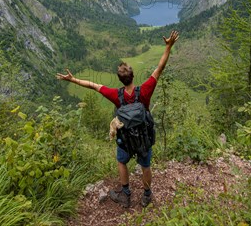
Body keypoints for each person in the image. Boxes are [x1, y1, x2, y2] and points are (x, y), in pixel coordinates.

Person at [56, 30, 179, 208]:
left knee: (122, 161)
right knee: (145, 165)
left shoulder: (116, 95)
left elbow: (93, 85)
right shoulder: (144, 91)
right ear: (133, 76)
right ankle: (146, 195)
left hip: (125, 139)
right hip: (143, 138)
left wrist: (72, 79)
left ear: (120, 79)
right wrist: (168, 46)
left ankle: (126, 194)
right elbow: (159, 68)